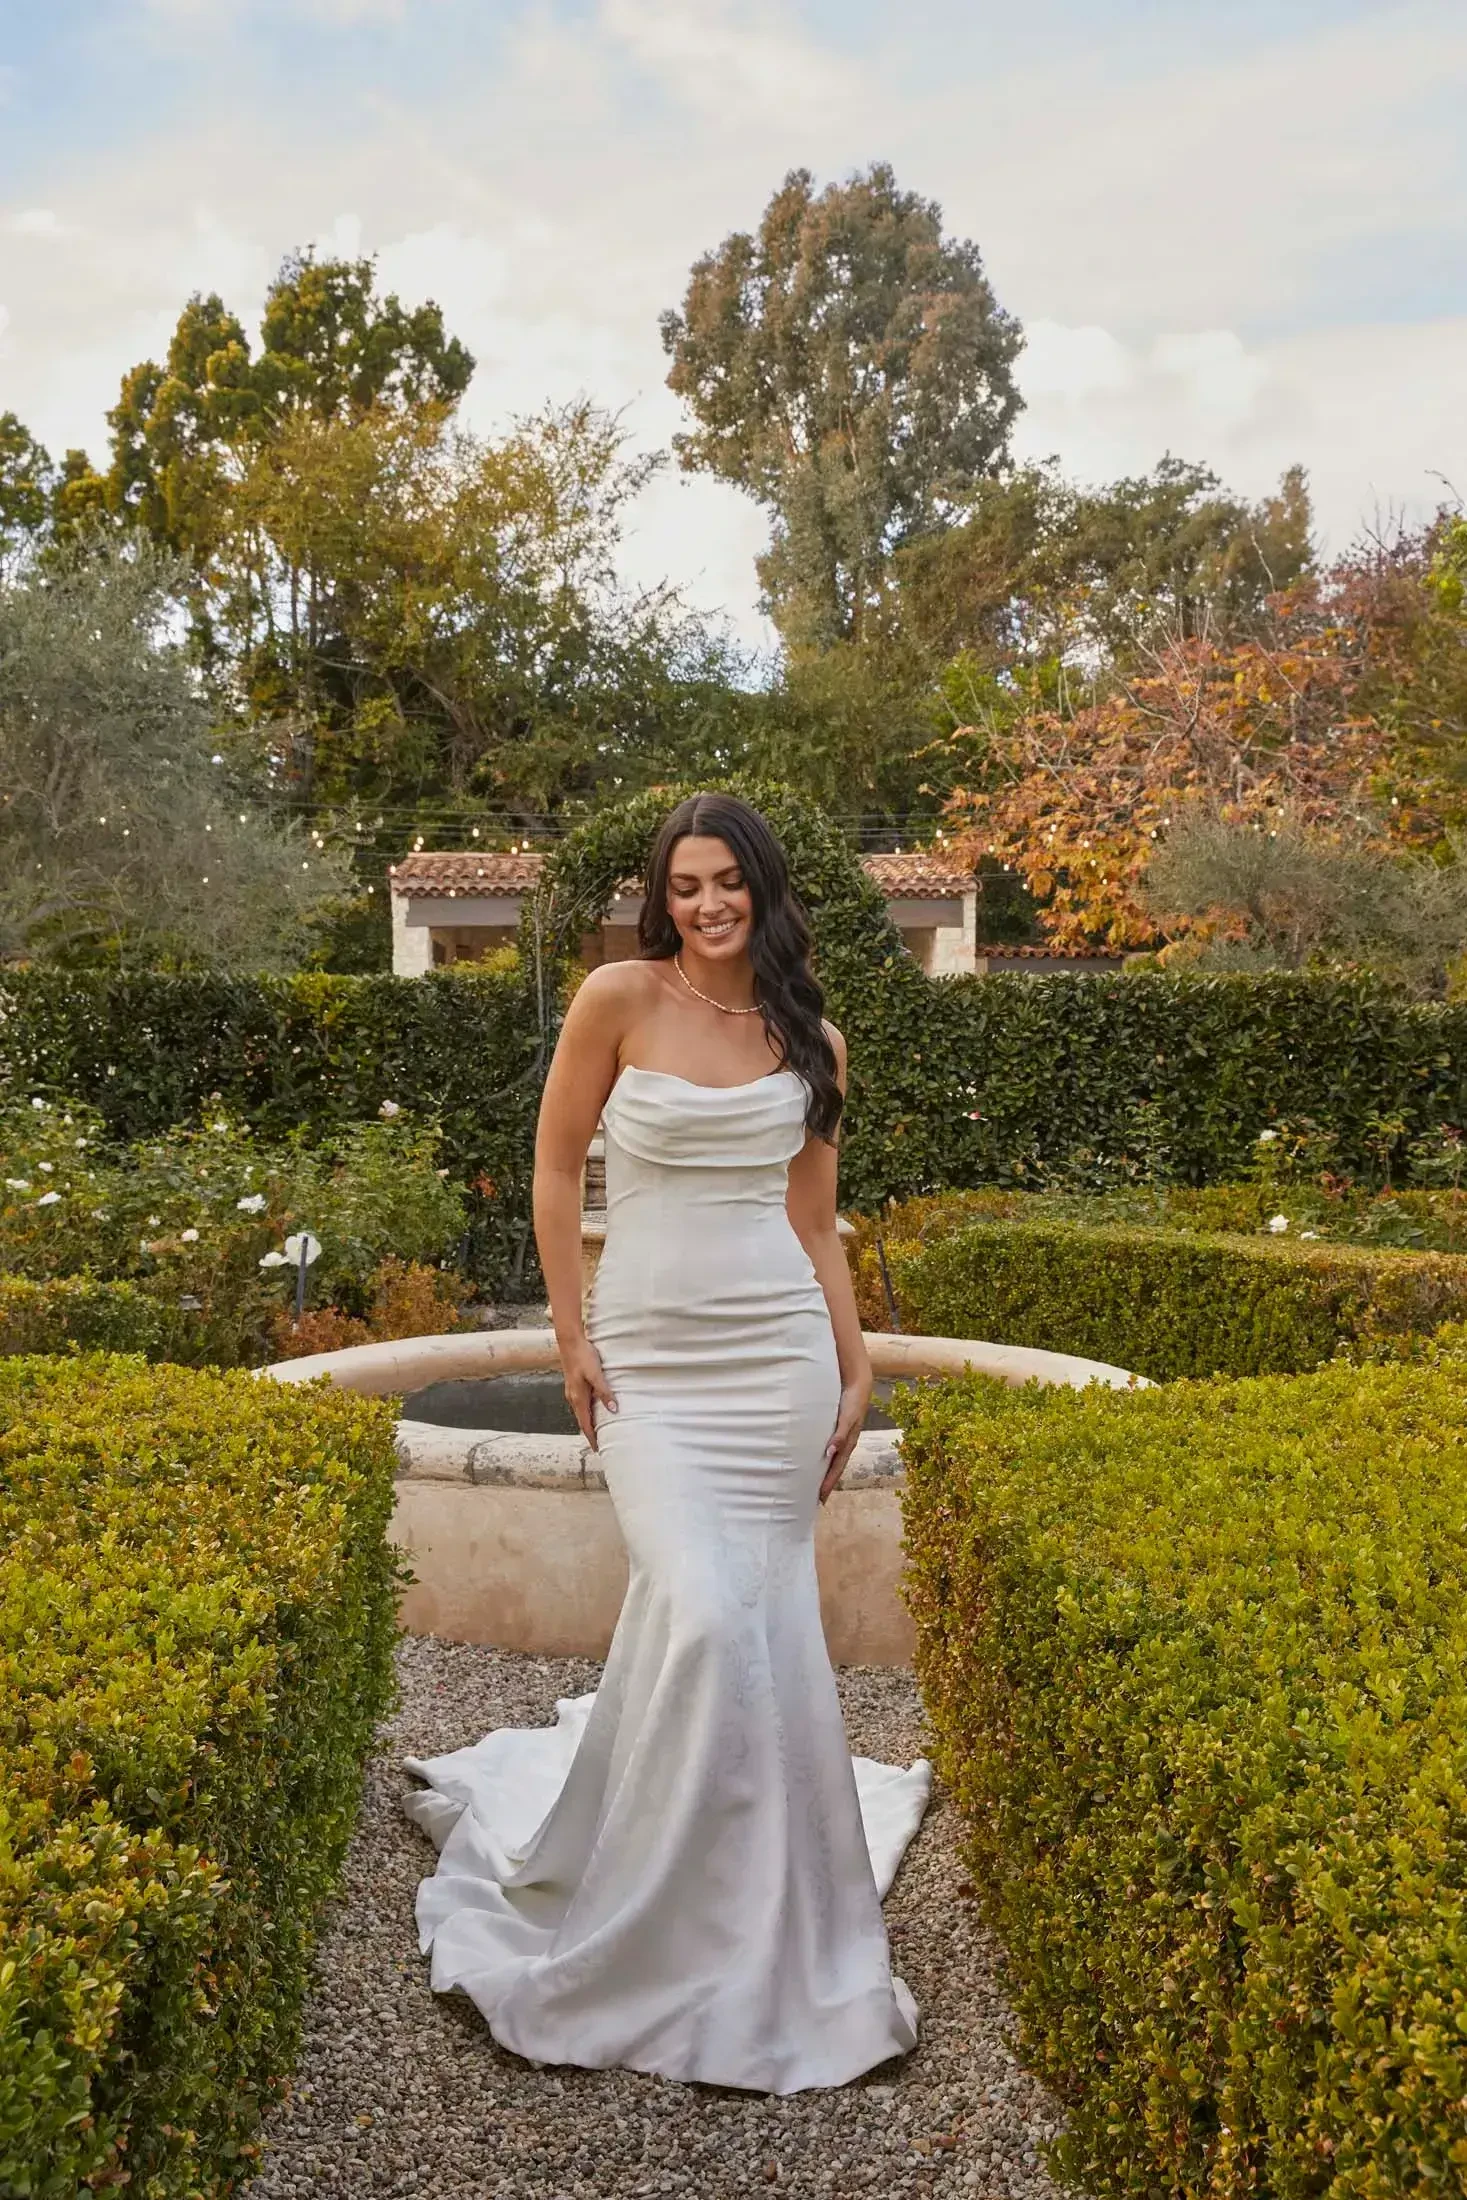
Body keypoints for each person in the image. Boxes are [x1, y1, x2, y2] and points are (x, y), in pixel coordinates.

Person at [403, 793, 931, 2094]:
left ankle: (766, 1915)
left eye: (726, 883)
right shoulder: (614, 1000)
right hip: (649, 1362)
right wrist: (568, 1340)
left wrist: (854, 1361)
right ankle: (645, 1906)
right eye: (685, 885)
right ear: (663, 896)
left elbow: (815, 1225)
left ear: (762, 889)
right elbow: (551, 1167)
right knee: (697, 1612)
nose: (706, 905)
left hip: (775, 1367)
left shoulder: (813, 1040)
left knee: (757, 1626)